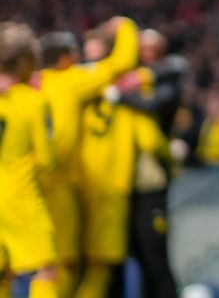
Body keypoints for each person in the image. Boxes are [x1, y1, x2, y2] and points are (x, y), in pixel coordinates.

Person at [36, 19, 140, 298]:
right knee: (72, 263)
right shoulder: (72, 81)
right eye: (74, 54)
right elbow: (123, 61)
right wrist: (126, 27)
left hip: (34, 182)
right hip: (63, 182)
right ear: (63, 60)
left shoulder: (30, 85)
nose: (78, 58)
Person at [115, 29, 185, 298]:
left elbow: (154, 102)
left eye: (150, 49)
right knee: (128, 254)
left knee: (153, 253)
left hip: (152, 178)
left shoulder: (166, 79)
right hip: (123, 180)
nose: (144, 54)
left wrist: (120, 94)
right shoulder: (128, 77)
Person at [0, 22, 58, 298]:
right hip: (21, 198)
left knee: (3, 273)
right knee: (45, 270)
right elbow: (47, 159)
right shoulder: (33, 101)